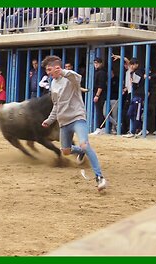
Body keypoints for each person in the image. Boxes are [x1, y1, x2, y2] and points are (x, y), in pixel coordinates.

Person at [40, 55, 107, 191]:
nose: (47, 73)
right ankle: (81, 151)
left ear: (57, 67)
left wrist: (63, 72)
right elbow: (56, 105)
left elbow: (78, 78)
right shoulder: (53, 84)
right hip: (64, 122)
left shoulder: (70, 78)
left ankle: (99, 177)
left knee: (84, 144)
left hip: (77, 118)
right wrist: (50, 119)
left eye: (49, 69)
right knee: (66, 151)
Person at [122, 58, 145, 138]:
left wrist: (132, 81)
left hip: (139, 95)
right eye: (131, 64)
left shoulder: (138, 72)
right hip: (135, 95)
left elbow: (135, 84)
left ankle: (134, 131)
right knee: (129, 113)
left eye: (133, 64)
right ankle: (140, 128)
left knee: (137, 115)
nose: (131, 66)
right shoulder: (132, 72)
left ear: (136, 64)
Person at [93, 57, 106, 133]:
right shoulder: (97, 72)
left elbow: (101, 85)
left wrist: (97, 95)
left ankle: (100, 127)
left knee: (99, 111)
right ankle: (100, 127)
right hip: (97, 94)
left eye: (97, 63)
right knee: (98, 111)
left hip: (100, 95)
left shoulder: (101, 73)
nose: (96, 64)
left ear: (101, 63)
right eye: (95, 63)